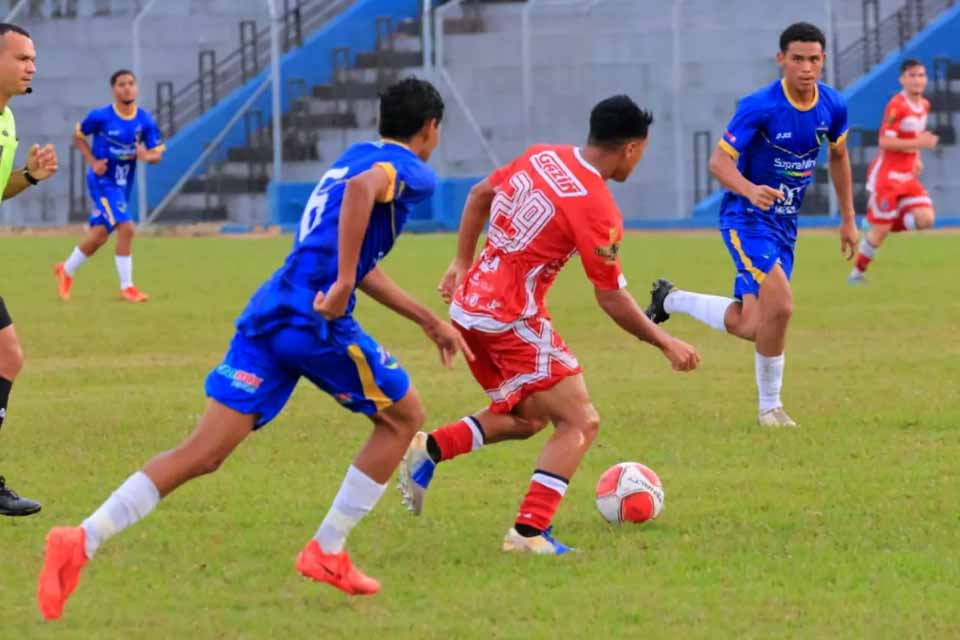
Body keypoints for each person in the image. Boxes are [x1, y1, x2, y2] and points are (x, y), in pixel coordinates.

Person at [38, 77, 471, 620]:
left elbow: (358, 258)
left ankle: (81, 539)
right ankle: (327, 551)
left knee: (204, 452)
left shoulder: (353, 155)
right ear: (430, 129)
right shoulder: (412, 171)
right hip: (314, 321)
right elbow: (364, 198)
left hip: (272, 310)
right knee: (404, 417)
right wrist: (340, 284)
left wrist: (426, 318)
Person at [397, 95, 700, 554]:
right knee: (580, 421)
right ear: (633, 148)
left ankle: (431, 448)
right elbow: (611, 297)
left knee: (528, 418)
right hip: (509, 316)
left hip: (469, 308)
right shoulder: (598, 208)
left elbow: (479, 194)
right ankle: (528, 533)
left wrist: (462, 261)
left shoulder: (542, 155)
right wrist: (664, 341)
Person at [644, 22, 857, 428]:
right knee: (783, 304)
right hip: (746, 219)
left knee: (754, 325)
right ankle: (770, 409)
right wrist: (748, 189)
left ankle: (670, 299)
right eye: (797, 59)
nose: (806, 68)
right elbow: (718, 162)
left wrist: (848, 219)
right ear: (781, 60)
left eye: (814, 59)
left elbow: (839, 157)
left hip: (784, 225)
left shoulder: (833, 106)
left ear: (823, 61)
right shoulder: (759, 106)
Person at [0, 23, 59, 516]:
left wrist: (29, 177)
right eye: (22, 58)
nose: (31, 67)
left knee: (7, 356)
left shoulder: (8, 122)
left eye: (33, 59)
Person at [54, 69, 164, 302]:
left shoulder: (144, 120)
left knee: (100, 235)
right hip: (103, 181)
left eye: (131, 83)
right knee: (127, 228)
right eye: (121, 84)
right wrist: (93, 161)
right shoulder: (100, 116)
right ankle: (127, 287)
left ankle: (66, 270)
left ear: (136, 88)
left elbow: (157, 155)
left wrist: (146, 156)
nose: (127, 88)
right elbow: (78, 136)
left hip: (123, 184)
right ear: (114, 89)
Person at [849, 58, 937, 284]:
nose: (917, 80)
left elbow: (913, 136)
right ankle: (857, 274)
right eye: (912, 75)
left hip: (907, 174)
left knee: (926, 218)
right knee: (880, 232)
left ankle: (878, 220)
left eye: (921, 75)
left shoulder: (924, 105)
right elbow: (885, 142)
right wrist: (918, 143)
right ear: (902, 79)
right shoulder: (896, 105)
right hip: (887, 174)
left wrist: (916, 155)